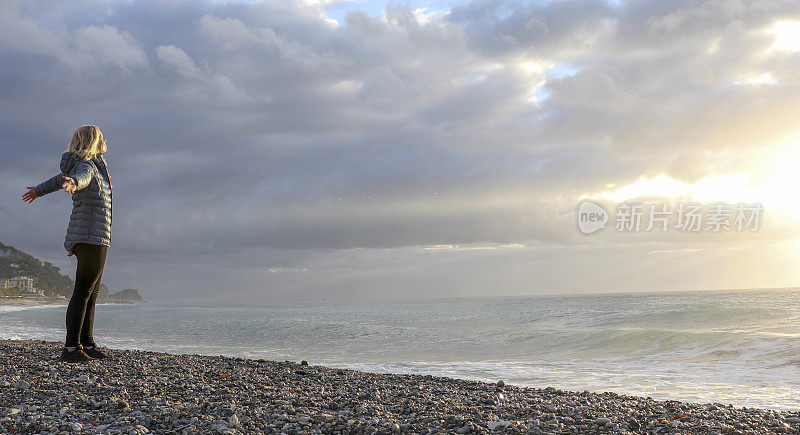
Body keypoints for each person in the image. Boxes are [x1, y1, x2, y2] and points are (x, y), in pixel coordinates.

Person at [21, 125, 113, 362]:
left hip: (94, 235)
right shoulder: (87, 166)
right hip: (90, 236)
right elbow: (79, 179)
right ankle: (71, 348)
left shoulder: (94, 165)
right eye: (102, 137)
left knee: (91, 293)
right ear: (93, 141)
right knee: (83, 292)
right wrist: (74, 183)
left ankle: (87, 343)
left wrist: (38, 191)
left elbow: (60, 179)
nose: (106, 140)